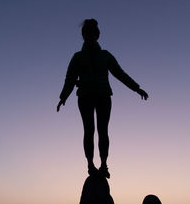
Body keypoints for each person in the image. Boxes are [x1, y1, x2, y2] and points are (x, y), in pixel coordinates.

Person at [57, 19, 148, 178]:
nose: (90, 36)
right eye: (87, 33)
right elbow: (70, 79)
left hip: (104, 97)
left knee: (103, 131)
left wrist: (136, 88)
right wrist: (63, 96)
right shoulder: (77, 57)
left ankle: (104, 164)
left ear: (97, 35)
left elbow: (120, 74)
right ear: (83, 35)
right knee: (89, 131)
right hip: (85, 97)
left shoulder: (105, 55)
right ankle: (90, 165)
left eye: (92, 33)